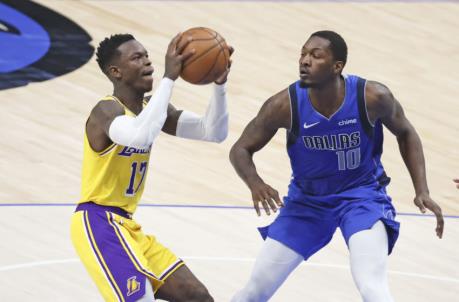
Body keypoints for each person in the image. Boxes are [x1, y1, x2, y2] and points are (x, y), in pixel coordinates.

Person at [229, 30, 444, 302]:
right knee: (254, 290)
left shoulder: (373, 97)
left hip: (361, 197)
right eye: (303, 53)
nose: (305, 61)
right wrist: (255, 183)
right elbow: (240, 149)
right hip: (307, 202)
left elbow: (406, 133)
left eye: (315, 56)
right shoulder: (284, 105)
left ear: (337, 66)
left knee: (372, 286)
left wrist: (421, 189)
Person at [70, 33, 232, 302]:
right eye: (137, 58)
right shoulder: (105, 111)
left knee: (197, 296)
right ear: (116, 71)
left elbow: (213, 131)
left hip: (128, 226)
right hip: (98, 223)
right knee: (139, 298)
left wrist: (219, 83)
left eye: (147, 56)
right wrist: (169, 79)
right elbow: (139, 135)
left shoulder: (152, 109)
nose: (148, 63)